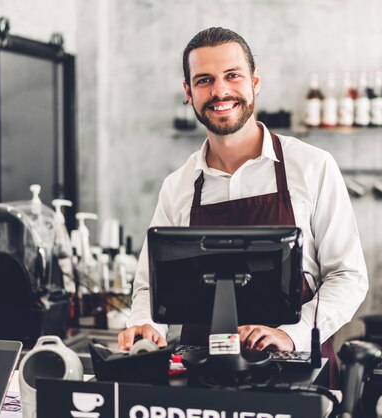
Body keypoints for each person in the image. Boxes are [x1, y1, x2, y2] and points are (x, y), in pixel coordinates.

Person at [119, 27, 368, 375]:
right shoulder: (178, 186)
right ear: (188, 93)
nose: (220, 91)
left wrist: (289, 334)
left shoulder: (312, 167)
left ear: (255, 82)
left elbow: (347, 275)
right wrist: (146, 326)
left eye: (232, 76)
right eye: (205, 80)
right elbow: (150, 284)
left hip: (294, 371)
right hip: (200, 377)